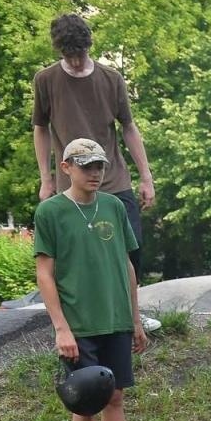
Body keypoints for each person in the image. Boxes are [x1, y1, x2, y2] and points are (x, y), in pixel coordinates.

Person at [33, 138, 147, 421]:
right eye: (86, 166)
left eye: (99, 166)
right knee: (85, 401)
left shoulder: (114, 206)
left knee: (115, 398)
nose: (95, 173)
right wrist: (61, 327)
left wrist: (135, 318)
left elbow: (128, 265)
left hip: (115, 318)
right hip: (79, 323)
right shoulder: (51, 212)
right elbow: (45, 273)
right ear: (66, 167)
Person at [33, 14, 155, 281]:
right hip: (71, 185)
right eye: (69, 56)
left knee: (131, 249)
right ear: (59, 51)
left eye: (81, 54)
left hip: (114, 180)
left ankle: (131, 313)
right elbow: (41, 128)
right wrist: (46, 179)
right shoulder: (45, 80)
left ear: (89, 46)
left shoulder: (111, 79)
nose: (76, 62)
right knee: (78, 256)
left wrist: (146, 177)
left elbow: (129, 127)